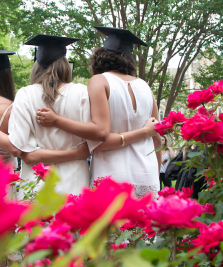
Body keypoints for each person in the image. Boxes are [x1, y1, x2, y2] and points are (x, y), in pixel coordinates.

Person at [0, 35, 99, 196]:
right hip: (75, 182)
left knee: (37, 221)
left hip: (36, 184)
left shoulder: (25, 94)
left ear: (37, 65)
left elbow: (24, 152)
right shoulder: (82, 92)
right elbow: (89, 146)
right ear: (65, 63)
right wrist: (76, 153)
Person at [37, 26, 161, 198]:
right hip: (148, 174)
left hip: (113, 174)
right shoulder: (145, 86)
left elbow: (100, 141)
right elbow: (157, 138)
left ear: (99, 57)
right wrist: (156, 171)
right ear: (129, 59)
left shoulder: (99, 81)